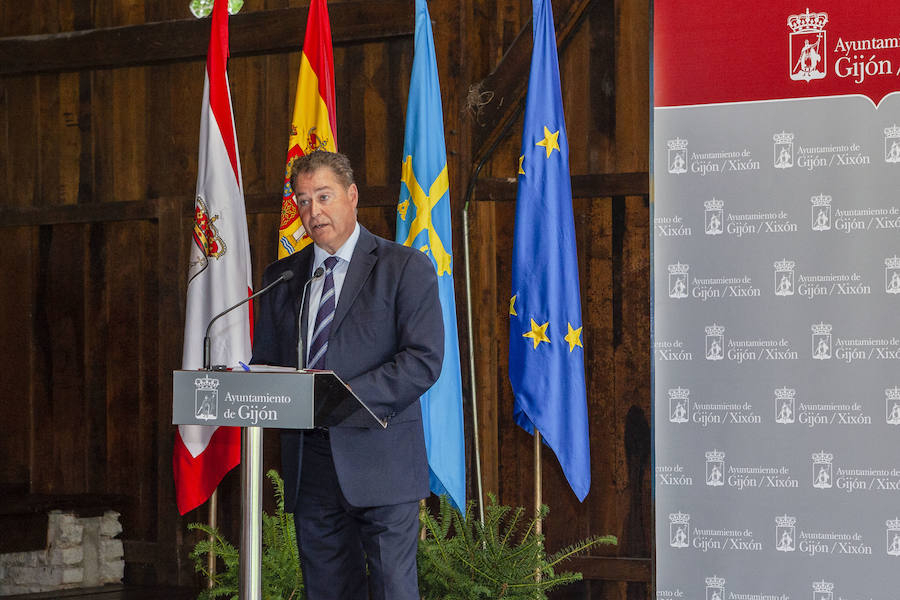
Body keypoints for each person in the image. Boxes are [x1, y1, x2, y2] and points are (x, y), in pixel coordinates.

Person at [251, 151, 444, 600]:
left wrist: (344, 396)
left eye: (324, 196)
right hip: (311, 465)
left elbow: (423, 359)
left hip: (382, 457)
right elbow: (271, 365)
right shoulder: (281, 277)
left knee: (394, 590)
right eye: (302, 201)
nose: (313, 211)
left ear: (352, 196)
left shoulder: (403, 267)